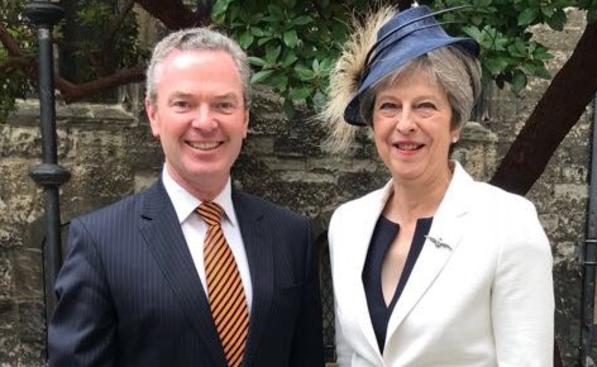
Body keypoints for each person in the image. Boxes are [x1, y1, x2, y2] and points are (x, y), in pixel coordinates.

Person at [48, 28, 324, 367]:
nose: (205, 122)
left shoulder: (291, 236)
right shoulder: (100, 243)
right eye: (184, 104)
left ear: (245, 117)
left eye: (223, 104)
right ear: (153, 114)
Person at [321, 5, 554, 366]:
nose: (405, 123)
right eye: (389, 106)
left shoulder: (509, 225)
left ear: (456, 123)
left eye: (425, 106)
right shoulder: (346, 225)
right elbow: (351, 355)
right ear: (372, 123)